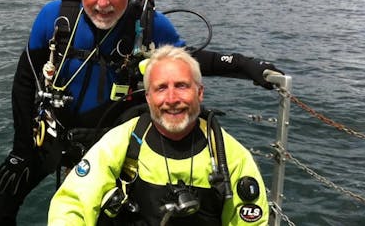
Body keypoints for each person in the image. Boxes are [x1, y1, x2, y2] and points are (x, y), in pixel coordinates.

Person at [0, 0, 280, 225]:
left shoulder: (148, 25)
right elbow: (23, 82)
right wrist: (21, 148)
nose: (103, 2)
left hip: (110, 141)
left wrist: (245, 65)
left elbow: (188, 61)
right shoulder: (56, 17)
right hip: (54, 133)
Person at [48, 45, 269, 225]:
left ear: (200, 93)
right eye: (161, 88)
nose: (172, 99)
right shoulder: (122, 141)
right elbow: (73, 203)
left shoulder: (230, 155)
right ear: (148, 98)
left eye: (181, 86)